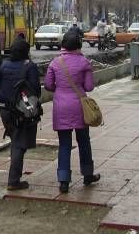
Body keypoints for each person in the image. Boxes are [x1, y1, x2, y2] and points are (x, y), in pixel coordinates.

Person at [44, 30, 100, 193]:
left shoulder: (55, 63)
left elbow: (48, 85)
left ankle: (63, 181)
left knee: (64, 144)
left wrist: (60, 90)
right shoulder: (84, 62)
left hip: (61, 107)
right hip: (80, 107)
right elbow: (89, 87)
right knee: (84, 141)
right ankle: (88, 174)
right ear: (78, 45)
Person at [0, 38, 41, 191]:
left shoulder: (4, 64)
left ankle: (15, 177)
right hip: (21, 110)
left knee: (16, 140)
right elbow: (35, 90)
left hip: (4, 110)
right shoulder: (30, 67)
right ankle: (13, 180)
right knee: (19, 144)